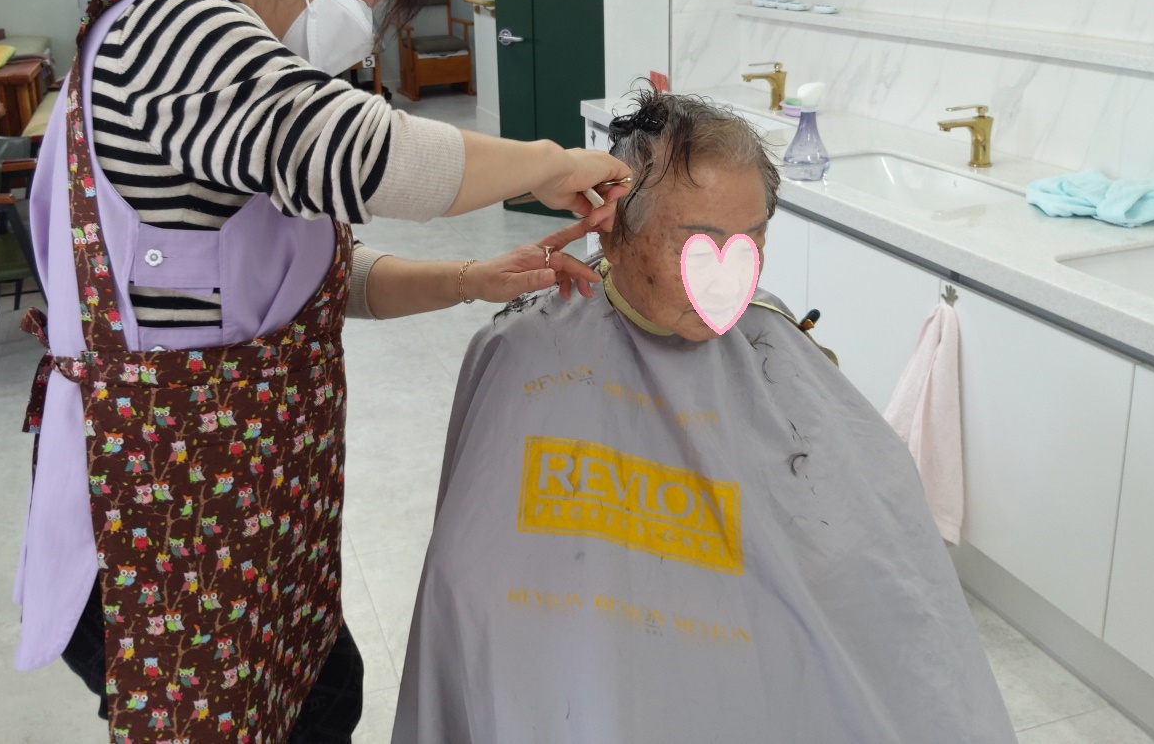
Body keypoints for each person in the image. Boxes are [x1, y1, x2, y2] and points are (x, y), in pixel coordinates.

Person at [15, 0, 631, 744]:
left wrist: (468, 280)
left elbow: (298, 283)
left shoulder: (224, 71)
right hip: (165, 526)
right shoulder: (171, 33)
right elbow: (368, 154)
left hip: (250, 518)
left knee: (325, 692)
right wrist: (552, 163)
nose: (366, 22)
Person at [391, 87, 1017, 744]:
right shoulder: (527, 349)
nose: (728, 281)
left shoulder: (771, 341)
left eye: (751, 241)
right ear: (614, 233)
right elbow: (472, 588)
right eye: (697, 244)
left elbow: (882, 548)